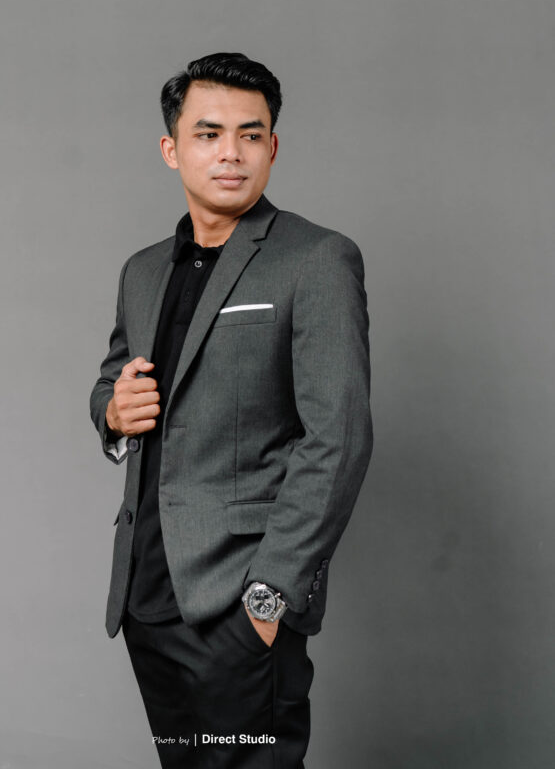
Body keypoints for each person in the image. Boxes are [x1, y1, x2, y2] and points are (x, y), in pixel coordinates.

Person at [90, 52, 373, 768]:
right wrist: (113, 413)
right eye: (209, 133)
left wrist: (268, 600)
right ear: (172, 149)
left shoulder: (316, 259)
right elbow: (112, 383)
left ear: (272, 147)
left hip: (240, 607)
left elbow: (336, 440)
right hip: (147, 598)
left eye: (251, 135)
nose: (231, 153)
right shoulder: (142, 271)